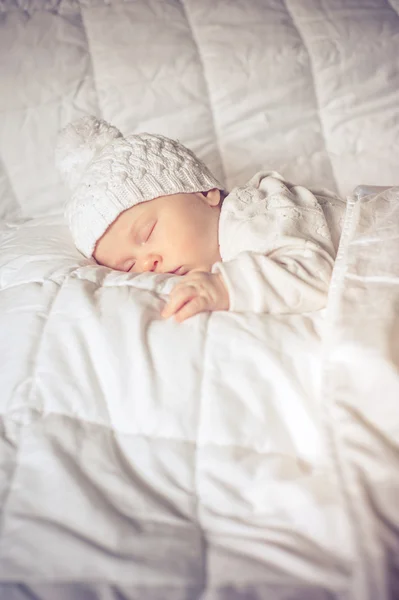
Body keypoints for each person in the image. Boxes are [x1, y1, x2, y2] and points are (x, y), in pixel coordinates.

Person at [56, 115, 345, 323]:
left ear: (205, 193)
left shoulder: (249, 213)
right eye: (129, 266)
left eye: (147, 233)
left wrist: (225, 287)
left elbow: (320, 275)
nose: (148, 264)